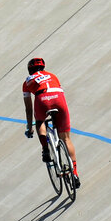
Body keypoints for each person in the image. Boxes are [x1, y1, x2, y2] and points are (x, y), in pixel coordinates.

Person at [22, 57, 80, 188]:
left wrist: (29, 127)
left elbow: (29, 108)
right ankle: (75, 173)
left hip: (42, 99)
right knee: (66, 138)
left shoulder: (27, 82)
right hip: (58, 98)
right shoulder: (52, 75)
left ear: (30, 70)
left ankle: (45, 149)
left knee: (40, 122)